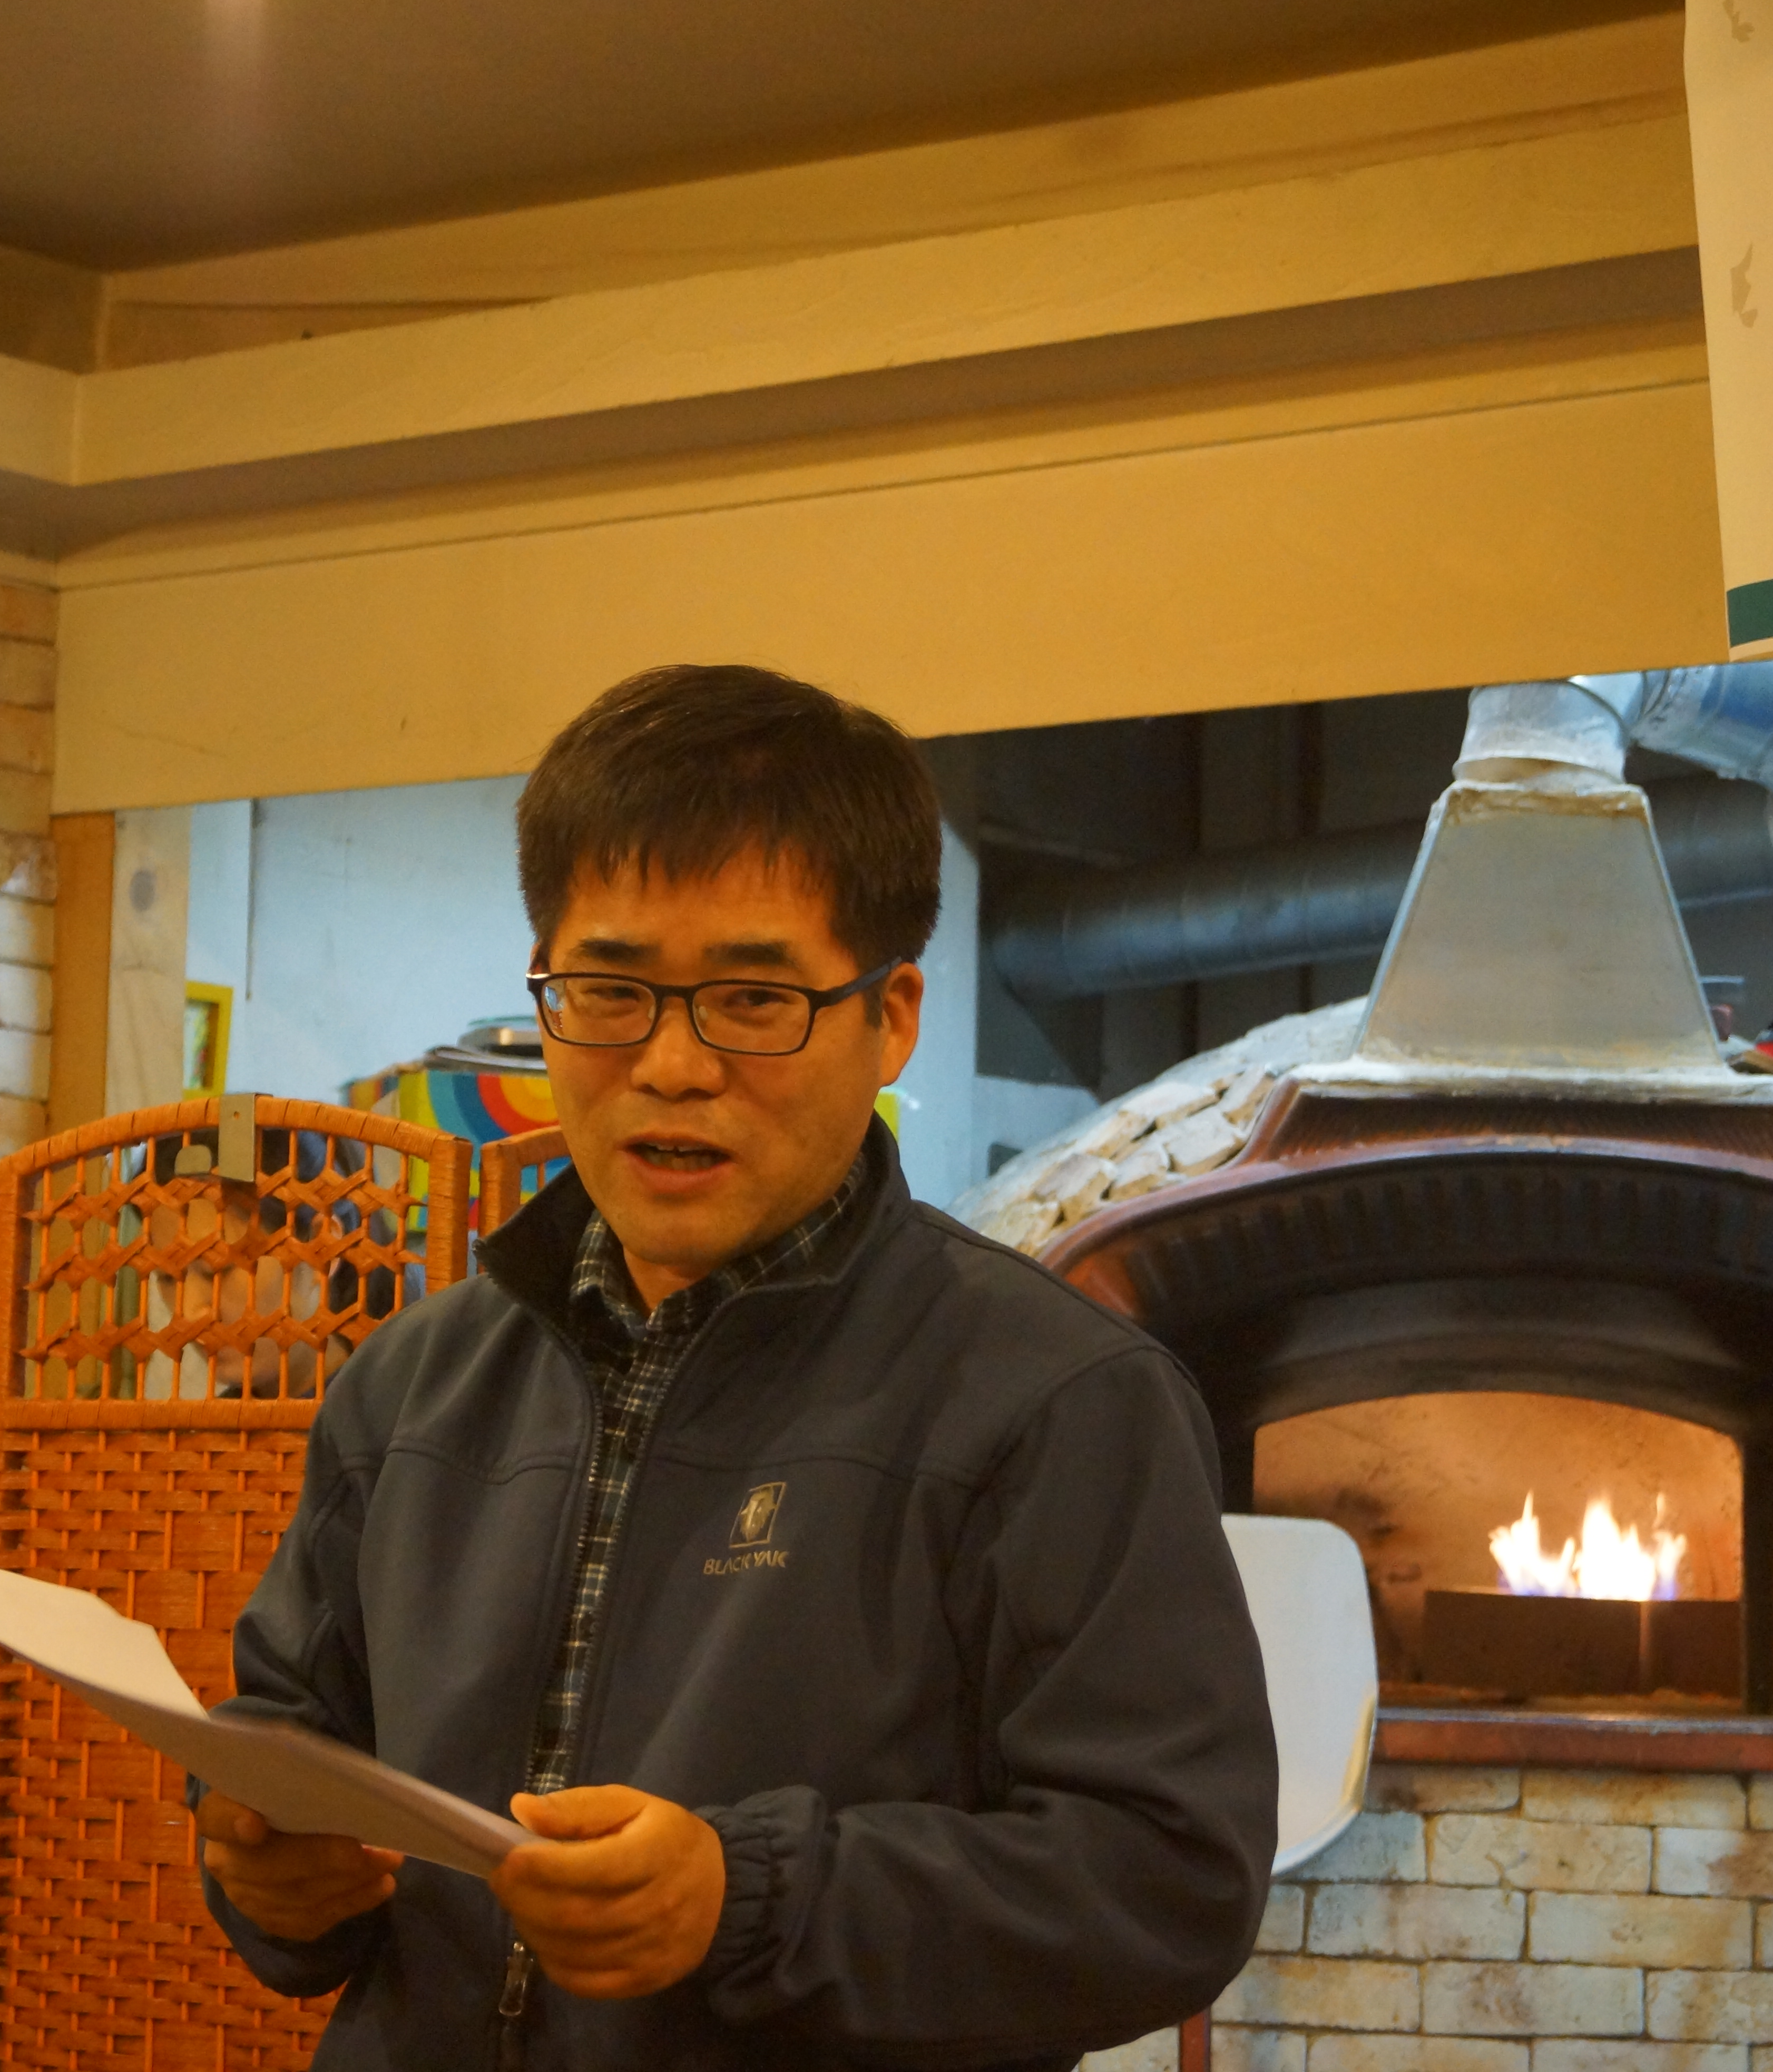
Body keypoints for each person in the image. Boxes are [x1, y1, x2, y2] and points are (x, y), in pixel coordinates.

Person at [194, 663, 1276, 2069]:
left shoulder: (1057, 1400)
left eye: (754, 1001)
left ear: (891, 1016)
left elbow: (1168, 1878)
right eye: (610, 991)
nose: (671, 1065)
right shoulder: (410, 1385)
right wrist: (272, 1879)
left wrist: (750, 1900)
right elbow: (293, 1752)